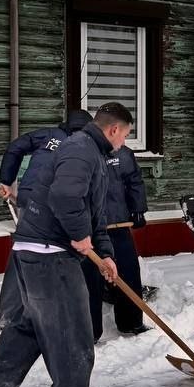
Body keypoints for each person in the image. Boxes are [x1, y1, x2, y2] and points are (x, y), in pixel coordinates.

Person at [0, 103, 132, 387]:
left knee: (36, 325)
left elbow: (94, 213)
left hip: (33, 248)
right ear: (114, 130)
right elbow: (66, 197)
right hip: (50, 253)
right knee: (74, 330)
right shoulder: (82, 150)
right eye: (125, 136)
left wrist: (105, 254)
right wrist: (79, 236)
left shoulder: (84, 150)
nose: (124, 144)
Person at [0, 109, 94, 327]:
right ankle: (69, 307)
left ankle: (10, 314)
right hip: (55, 201)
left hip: (29, 197)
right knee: (71, 249)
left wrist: (6, 179)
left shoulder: (49, 135)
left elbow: (15, 147)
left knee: (23, 251)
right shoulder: (83, 144)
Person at [82, 142, 150, 339]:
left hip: (117, 224)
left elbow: (134, 181)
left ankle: (131, 322)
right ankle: (89, 331)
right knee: (89, 281)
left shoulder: (123, 153)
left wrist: (138, 209)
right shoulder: (79, 153)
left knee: (128, 273)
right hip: (89, 230)